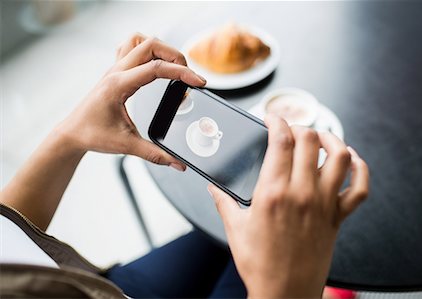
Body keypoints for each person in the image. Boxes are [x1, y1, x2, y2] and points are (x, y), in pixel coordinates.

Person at [0, 33, 369, 298]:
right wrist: (287, 289)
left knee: (247, 227)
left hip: (100, 288)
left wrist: (67, 137)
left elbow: (8, 236)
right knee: (275, 230)